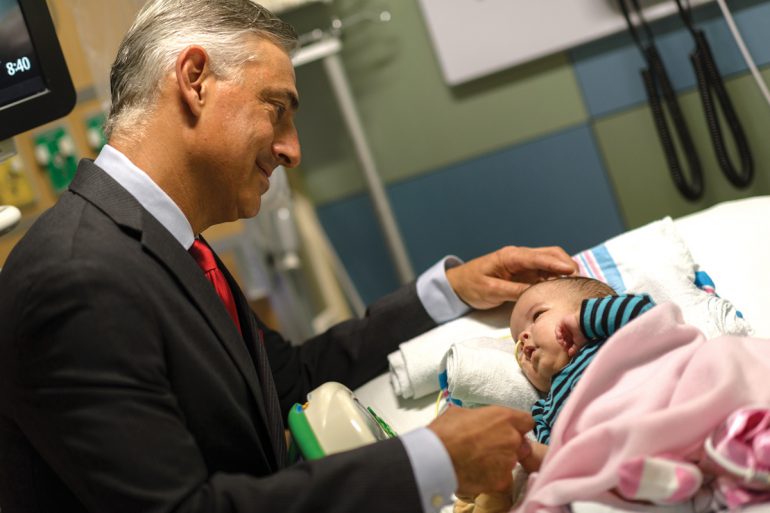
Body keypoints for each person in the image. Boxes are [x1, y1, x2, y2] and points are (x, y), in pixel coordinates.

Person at [0, 2, 580, 513]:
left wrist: (451, 290)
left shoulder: (167, 245)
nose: (293, 149)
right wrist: (430, 462)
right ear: (195, 80)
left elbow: (288, 378)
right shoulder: (77, 276)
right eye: (277, 108)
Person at [454, 277, 654, 513]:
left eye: (537, 317)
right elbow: (556, 460)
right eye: (518, 342)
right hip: (602, 466)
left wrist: (581, 322)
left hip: (647, 416)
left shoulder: (614, 340)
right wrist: (525, 452)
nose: (523, 339)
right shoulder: (544, 408)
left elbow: (645, 314)